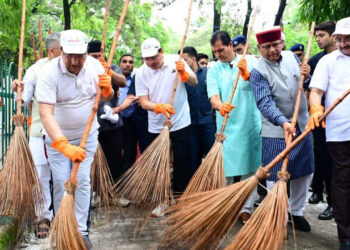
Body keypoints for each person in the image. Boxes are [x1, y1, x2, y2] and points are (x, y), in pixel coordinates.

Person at [36, 29, 114, 249]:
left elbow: (105, 96)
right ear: (60, 51)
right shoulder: (49, 73)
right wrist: (62, 144)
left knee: (82, 182)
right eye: (68, 55)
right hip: (56, 138)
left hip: (86, 135)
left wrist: (107, 88)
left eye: (79, 55)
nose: (73, 60)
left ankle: (81, 231)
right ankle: (63, 229)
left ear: (86, 53)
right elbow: (45, 113)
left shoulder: (95, 66)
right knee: (61, 181)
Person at [250, 27, 314, 232]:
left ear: (282, 43)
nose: (272, 50)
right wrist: (283, 122)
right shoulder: (257, 71)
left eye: (276, 44)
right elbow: (264, 102)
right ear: (259, 48)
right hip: (276, 130)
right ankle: (277, 215)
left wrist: (308, 75)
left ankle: (296, 212)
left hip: (302, 126)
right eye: (266, 47)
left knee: (304, 172)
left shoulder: (291, 58)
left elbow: (304, 84)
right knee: (275, 175)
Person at [135, 37, 198, 217]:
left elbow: (195, 82)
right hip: (156, 125)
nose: (151, 62)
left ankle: (178, 199)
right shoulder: (141, 73)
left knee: (182, 161)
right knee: (160, 164)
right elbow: (143, 102)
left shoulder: (176, 61)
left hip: (180, 121)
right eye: (147, 59)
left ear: (161, 52)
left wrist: (185, 74)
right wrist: (157, 107)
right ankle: (162, 200)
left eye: (154, 57)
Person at [206, 30, 262, 224]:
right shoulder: (213, 69)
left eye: (221, 49)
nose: (218, 54)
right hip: (226, 126)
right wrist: (221, 106)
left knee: (250, 168)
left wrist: (247, 74)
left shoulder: (250, 62)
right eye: (215, 51)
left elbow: (261, 88)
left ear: (231, 45)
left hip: (250, 124)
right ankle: (225, 204)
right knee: (224, 169)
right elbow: (213, 96)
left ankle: (246, 209)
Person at [11, 32, 61, 238]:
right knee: (41, 176)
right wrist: (17, 89)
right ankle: (43, 216)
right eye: (62, 49)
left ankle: (63, 214)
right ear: (52, 50)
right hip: (39, 131)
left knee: (62, 176)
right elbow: (24, 99)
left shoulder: (71, 68)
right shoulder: (35, 70)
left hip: (64, 132)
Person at [308, 17, 350, 250]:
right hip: (339, 132)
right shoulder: (327, 61)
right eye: (340, 39)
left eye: (348, 40)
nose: (343, 44)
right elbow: (316, 91)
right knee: (342, 181)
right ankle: (345, 236)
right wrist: (316, 107)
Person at [307, 21, 337, 221]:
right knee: (322, 158)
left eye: (322, 35)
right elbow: (310, 89)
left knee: (338, 165)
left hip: (341, 118)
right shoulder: (316, 60)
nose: (318, 39)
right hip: (320, 118)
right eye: (316, 36)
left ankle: (336, 204)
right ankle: (321, 193)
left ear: (334, 36)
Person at [87, 40, 126, 183]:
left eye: (100, 55)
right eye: (94, 56)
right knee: (93, 161)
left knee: (115, 158)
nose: (97, 59)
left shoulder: (111, 67)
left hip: (112, 124)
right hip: (91, 125)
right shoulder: (85, 69)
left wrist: (109, 71)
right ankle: (96, 192)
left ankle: (115, 191)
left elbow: (122, 81)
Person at [180, 46, 215, 174]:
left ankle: (212, 186)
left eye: (185, 60)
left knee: (211, 156)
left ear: (193, 59)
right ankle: (195, 188)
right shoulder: (181, 77)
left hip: (207, 122)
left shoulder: (208, 74)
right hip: (189, 124)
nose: (182, 64)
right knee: (193, 159)